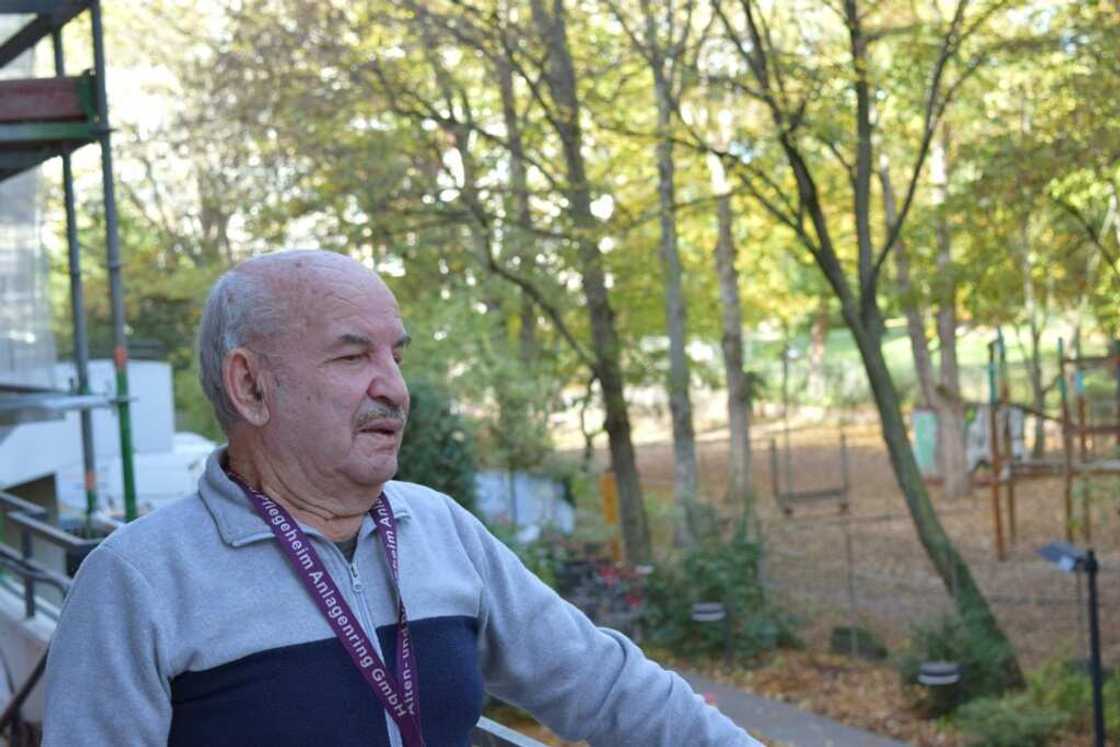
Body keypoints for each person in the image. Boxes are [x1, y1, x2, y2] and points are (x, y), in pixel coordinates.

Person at [42, 250, 762, 746]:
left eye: (398, 354)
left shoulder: (439, 527)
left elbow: (607, 685)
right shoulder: (136, 581)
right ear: (250, 386)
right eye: (354, 355)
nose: (394, 385)